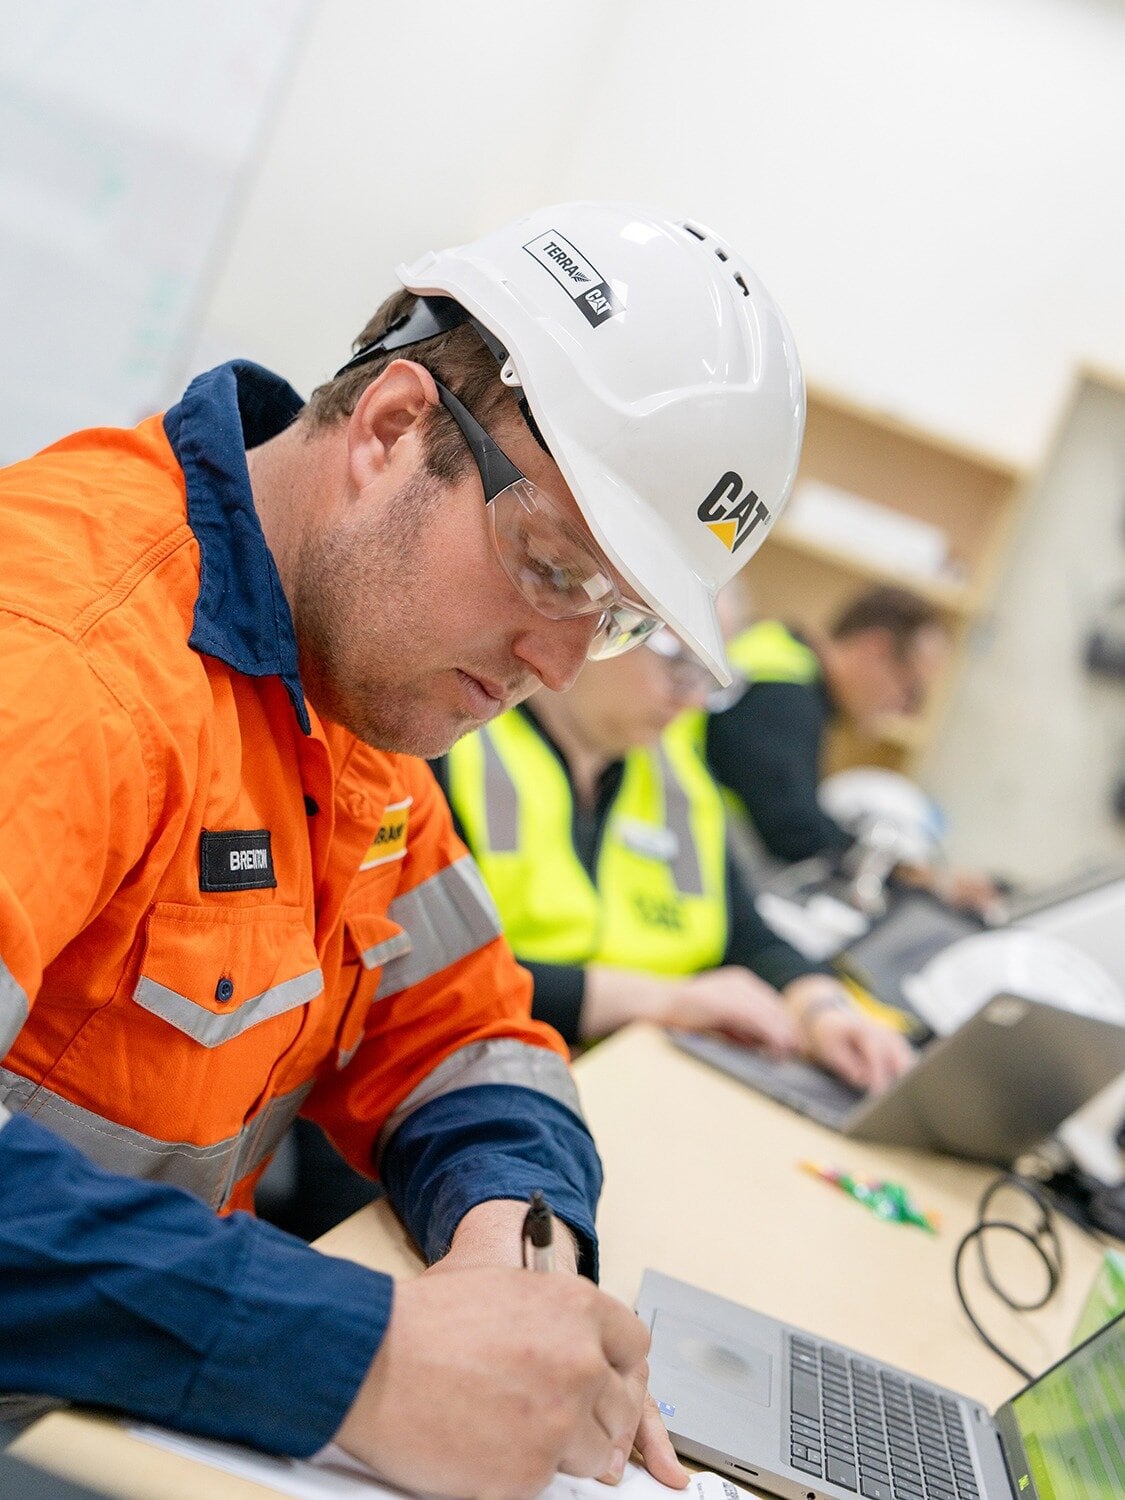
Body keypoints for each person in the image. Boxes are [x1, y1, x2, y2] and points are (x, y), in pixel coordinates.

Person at [0, 202, 806, 1496]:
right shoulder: (60, 659)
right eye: (550, 572)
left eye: (606, 623)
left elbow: (464, 1036)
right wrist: (361, 1357)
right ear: (389, 432)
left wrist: (512, 1255)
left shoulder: (354, 701)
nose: (552, 668)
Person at [434, 630, 914, 1093]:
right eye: (679, 663)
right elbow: (432, 980)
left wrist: (822, 1010)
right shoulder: (448, 746)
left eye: (710, 675)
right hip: (468, 1076)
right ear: (594, 625)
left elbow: (745, 934)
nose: (694, 701)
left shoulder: (674, 775)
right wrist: (664, 1001)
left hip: (620, 1075)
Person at [703, 584, 1003, 913]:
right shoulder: (785, 695)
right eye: (912, 691)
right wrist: (912, 878)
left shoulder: (783, 657)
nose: (905, 710)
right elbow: (795, 832)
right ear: (876, 648)